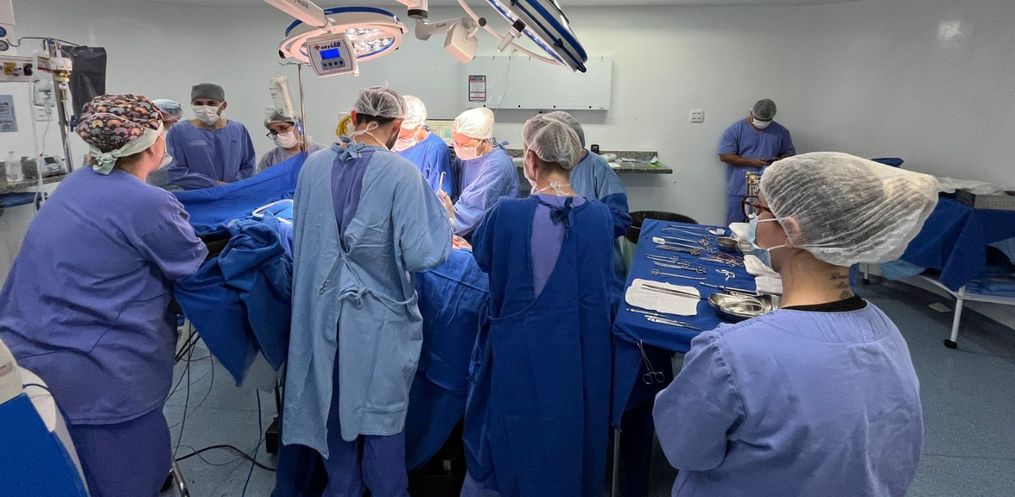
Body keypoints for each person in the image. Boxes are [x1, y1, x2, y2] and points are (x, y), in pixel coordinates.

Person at [654, 152, 939, 497]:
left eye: (759, 210)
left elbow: (684, 450)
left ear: (791, 230)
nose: (753, 220)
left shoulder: (732, 353)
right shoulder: (885, 331)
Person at [0, 94, 207, 497]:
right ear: (152, 143)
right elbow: (191, 265)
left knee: (71, 471)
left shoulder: (75, 184)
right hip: (101, 376)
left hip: (31, 356)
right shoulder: (147, 202)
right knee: (126, 478)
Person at [278, 86, 451, 497]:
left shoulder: (313, 166)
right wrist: (442, 217)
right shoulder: (402, 173)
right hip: (376, 321)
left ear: (353, 117)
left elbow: (306, 237)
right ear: (397, 126)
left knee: (332, 405)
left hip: (321, 312)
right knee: (380, 415)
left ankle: (342, 488)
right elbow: (423, 253)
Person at [461, 115, 614, 497]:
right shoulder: (599, 216)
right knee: (570, 434)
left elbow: (484, 258)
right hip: (582, 354)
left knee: (519, 436)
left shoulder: (508, 214)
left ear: (530, 159)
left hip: (521, 351)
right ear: (573, 159)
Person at [544, 111, 632, 287]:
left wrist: (579, 229)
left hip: (596, 258)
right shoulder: (547, 167)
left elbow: (620, 218)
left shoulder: (597, 167)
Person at [442, 107, 519, 239]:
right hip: (470, 230)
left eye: (465, 145)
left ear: (484, 141)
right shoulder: (468, 156)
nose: (459, 149)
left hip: (490, 236)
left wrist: (437, 228)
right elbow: (454, 190)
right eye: (456, 143)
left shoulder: (496, 167)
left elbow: (469, 212)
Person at [717, 98, 795, 224]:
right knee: (736, 223)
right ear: (751, 113)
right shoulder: (736, 130)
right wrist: (751, 162)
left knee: (765, 223)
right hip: (740, 186)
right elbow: (725, 156)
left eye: (765, 121)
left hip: (768, 187)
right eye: (759, 119)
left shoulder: (781, 132)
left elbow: (789, 154)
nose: (761, 123)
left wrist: (776, 162)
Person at [166, 83, 256, 189]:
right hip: (197, 194)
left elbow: (248, 166)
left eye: (211, 103)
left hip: (233, 193)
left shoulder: (238, 130)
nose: (205, 108)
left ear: (223, 105)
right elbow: (174, 169)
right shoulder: (179, 131)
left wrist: (232, 187)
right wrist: (213, 184)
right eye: (198, 103)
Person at [394, 95, 453, 194]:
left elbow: (439, 196)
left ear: (419, 127)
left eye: (403, 138)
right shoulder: (386, 142)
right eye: (395, 134)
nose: (396, 141)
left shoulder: (435, 148)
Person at [257, 110, 325, 172]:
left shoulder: (321, 152)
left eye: (283, 128)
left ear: (298, 126)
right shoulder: (269, 159)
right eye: (274, 132)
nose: (279, 135)